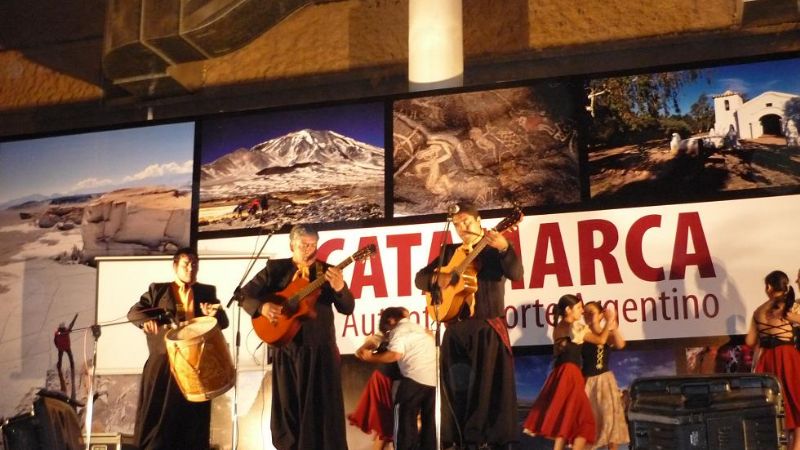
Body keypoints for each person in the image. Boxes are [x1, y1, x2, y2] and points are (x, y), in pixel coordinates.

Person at [415, 201, 524, 449]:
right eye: (456, 224)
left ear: (478, 221)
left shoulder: (494, 248)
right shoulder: (449, 252)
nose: (461, 227)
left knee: (485, 389)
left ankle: (484, 440)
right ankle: (457, 440)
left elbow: (516, 273)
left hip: (485, 328)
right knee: (456, 388)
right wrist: (438, 277)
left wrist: (505, 247)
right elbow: (419, 279)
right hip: (454, 330)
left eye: (466, 221)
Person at [239, 224, 354, 450]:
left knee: (322, 410)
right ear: (292, 245)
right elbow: (243, 295)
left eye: (313, 245)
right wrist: (262, 307)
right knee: (288, 408)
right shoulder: (275, 270)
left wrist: (340, 288)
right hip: (287, 349)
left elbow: (348, 307)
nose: (310, 250)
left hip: (320, 350)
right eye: (304, 245)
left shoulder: (327, 271)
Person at [127, 247, 228, 450]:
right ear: (175, 266)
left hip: (195, 364)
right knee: (158, 417)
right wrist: (146, 321)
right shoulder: (159, 290)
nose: (191, 268)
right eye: (186, 264)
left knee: (192, 419)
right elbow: (134, 312)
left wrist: (213, 315)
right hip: (164, 360)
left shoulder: (207, 292)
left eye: (195, 264)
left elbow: (223, 322)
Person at [523, 294, 613, 450]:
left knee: (567, 419)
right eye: (578, 308)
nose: (582, 312)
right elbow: (601, 340)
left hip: (561, 373)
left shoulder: (559, 327)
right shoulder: (575, 327)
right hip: (570, 374)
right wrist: (609, 321)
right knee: (584, 421)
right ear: (568, 309)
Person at [357, 307, 436, 450]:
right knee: (390, 427)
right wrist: (366, 351)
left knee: (400, 421)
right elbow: (369, 345)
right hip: (409, 381)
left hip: (408, 379)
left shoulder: (402, 330)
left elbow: (395, 355)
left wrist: (371, 357)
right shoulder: (400, 331)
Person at [746, 270, 800, 450]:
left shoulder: (758, 311)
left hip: (768, 359)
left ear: (769, 287)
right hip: (788, 358)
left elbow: (749, 341)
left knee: (774, 406)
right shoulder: (790, 306)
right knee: (796, 404)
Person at [581, 301, 628, 450]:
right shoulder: (582, 332)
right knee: (589, 423)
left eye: (591, 312)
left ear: (600, 315)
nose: (587, 315)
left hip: (605, 381)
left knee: (610, 422)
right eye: (585, 313)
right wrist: (608, 322)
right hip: (587, 381)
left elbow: (620, 344)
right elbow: (599, 339)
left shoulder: (607, 332)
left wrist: (613, 326)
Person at [348, 332, 400, 450]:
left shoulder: (407, 332)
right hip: (385, 380)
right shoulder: (386, 333)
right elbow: (372, 342)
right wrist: (364, 348)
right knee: (386, 426)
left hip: (397, 380)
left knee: (387, 427)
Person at [54, 313, 78, 399]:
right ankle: (70, 365)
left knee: (61, 357)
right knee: (69, 357)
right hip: (66, 347)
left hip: (62, 348)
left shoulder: (57, 333)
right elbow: (71, 325)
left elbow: (55, 341)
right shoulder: (65, 331)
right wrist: (75, 317)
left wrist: (57, 346)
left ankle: (60, 366)